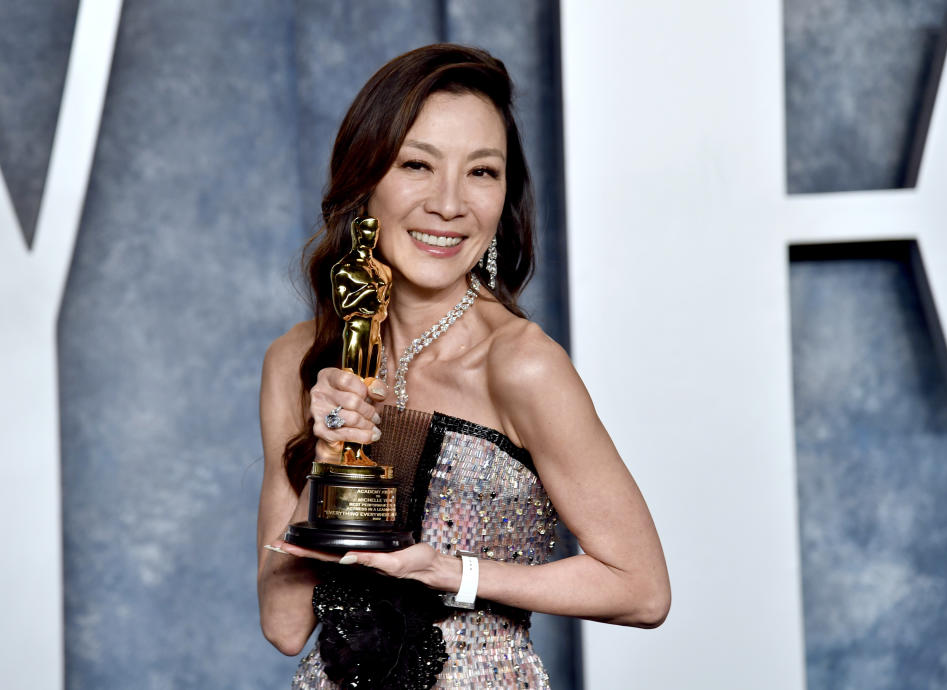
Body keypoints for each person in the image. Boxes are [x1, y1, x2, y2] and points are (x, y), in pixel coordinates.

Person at [257, 44, 670, 690]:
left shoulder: (522, 366)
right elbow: (283, 625)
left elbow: (642, 589)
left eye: (481, 172)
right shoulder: (299, 361)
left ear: (504, 196)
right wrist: (331, 451)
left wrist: (454, 572)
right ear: (365, 180)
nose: (450, 204)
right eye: (417, 165)